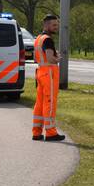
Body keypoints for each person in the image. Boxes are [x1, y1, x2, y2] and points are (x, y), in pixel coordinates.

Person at [32, 14, 65, 142]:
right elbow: (50, 58)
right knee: (50, 103)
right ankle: (51, 133)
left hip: (40, 71)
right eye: (54, 25)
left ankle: (36, 132)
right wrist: (58, 58)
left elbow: (38, 57)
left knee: (39, 103)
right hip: (49, 73)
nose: (56, 27)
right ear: (46, 25)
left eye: (57, 25)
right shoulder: (48, 39)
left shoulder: (38, 38)